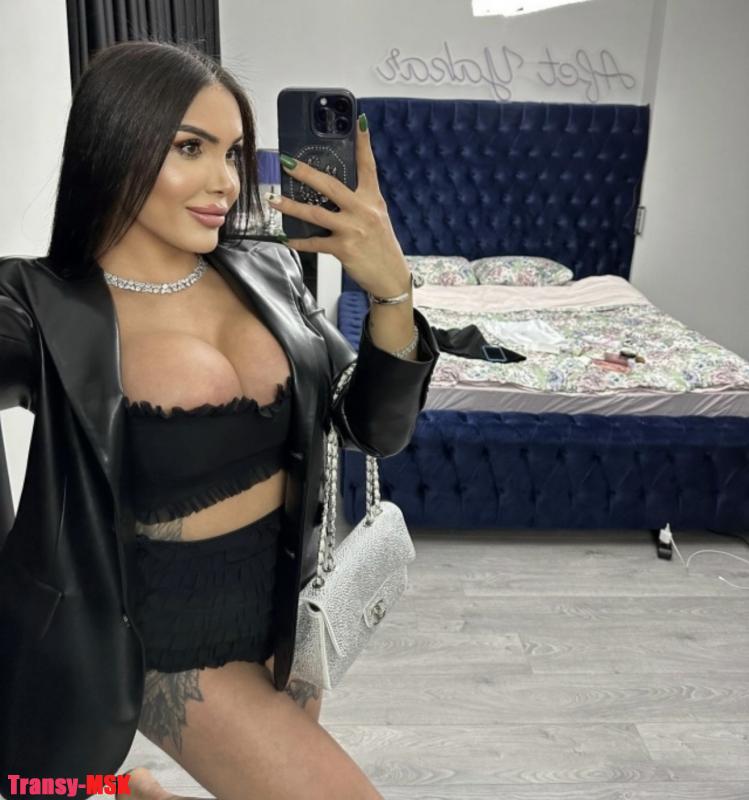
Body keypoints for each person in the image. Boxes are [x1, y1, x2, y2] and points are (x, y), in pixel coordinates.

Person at [0, 40, 439, 800]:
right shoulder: (36, 305)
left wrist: (391, 290)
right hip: (167, 643)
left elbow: (371, 427)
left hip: (283, 615)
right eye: (190, 148)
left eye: (233, 152)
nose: (226, 182)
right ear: (115, 145)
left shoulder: (265, 267)